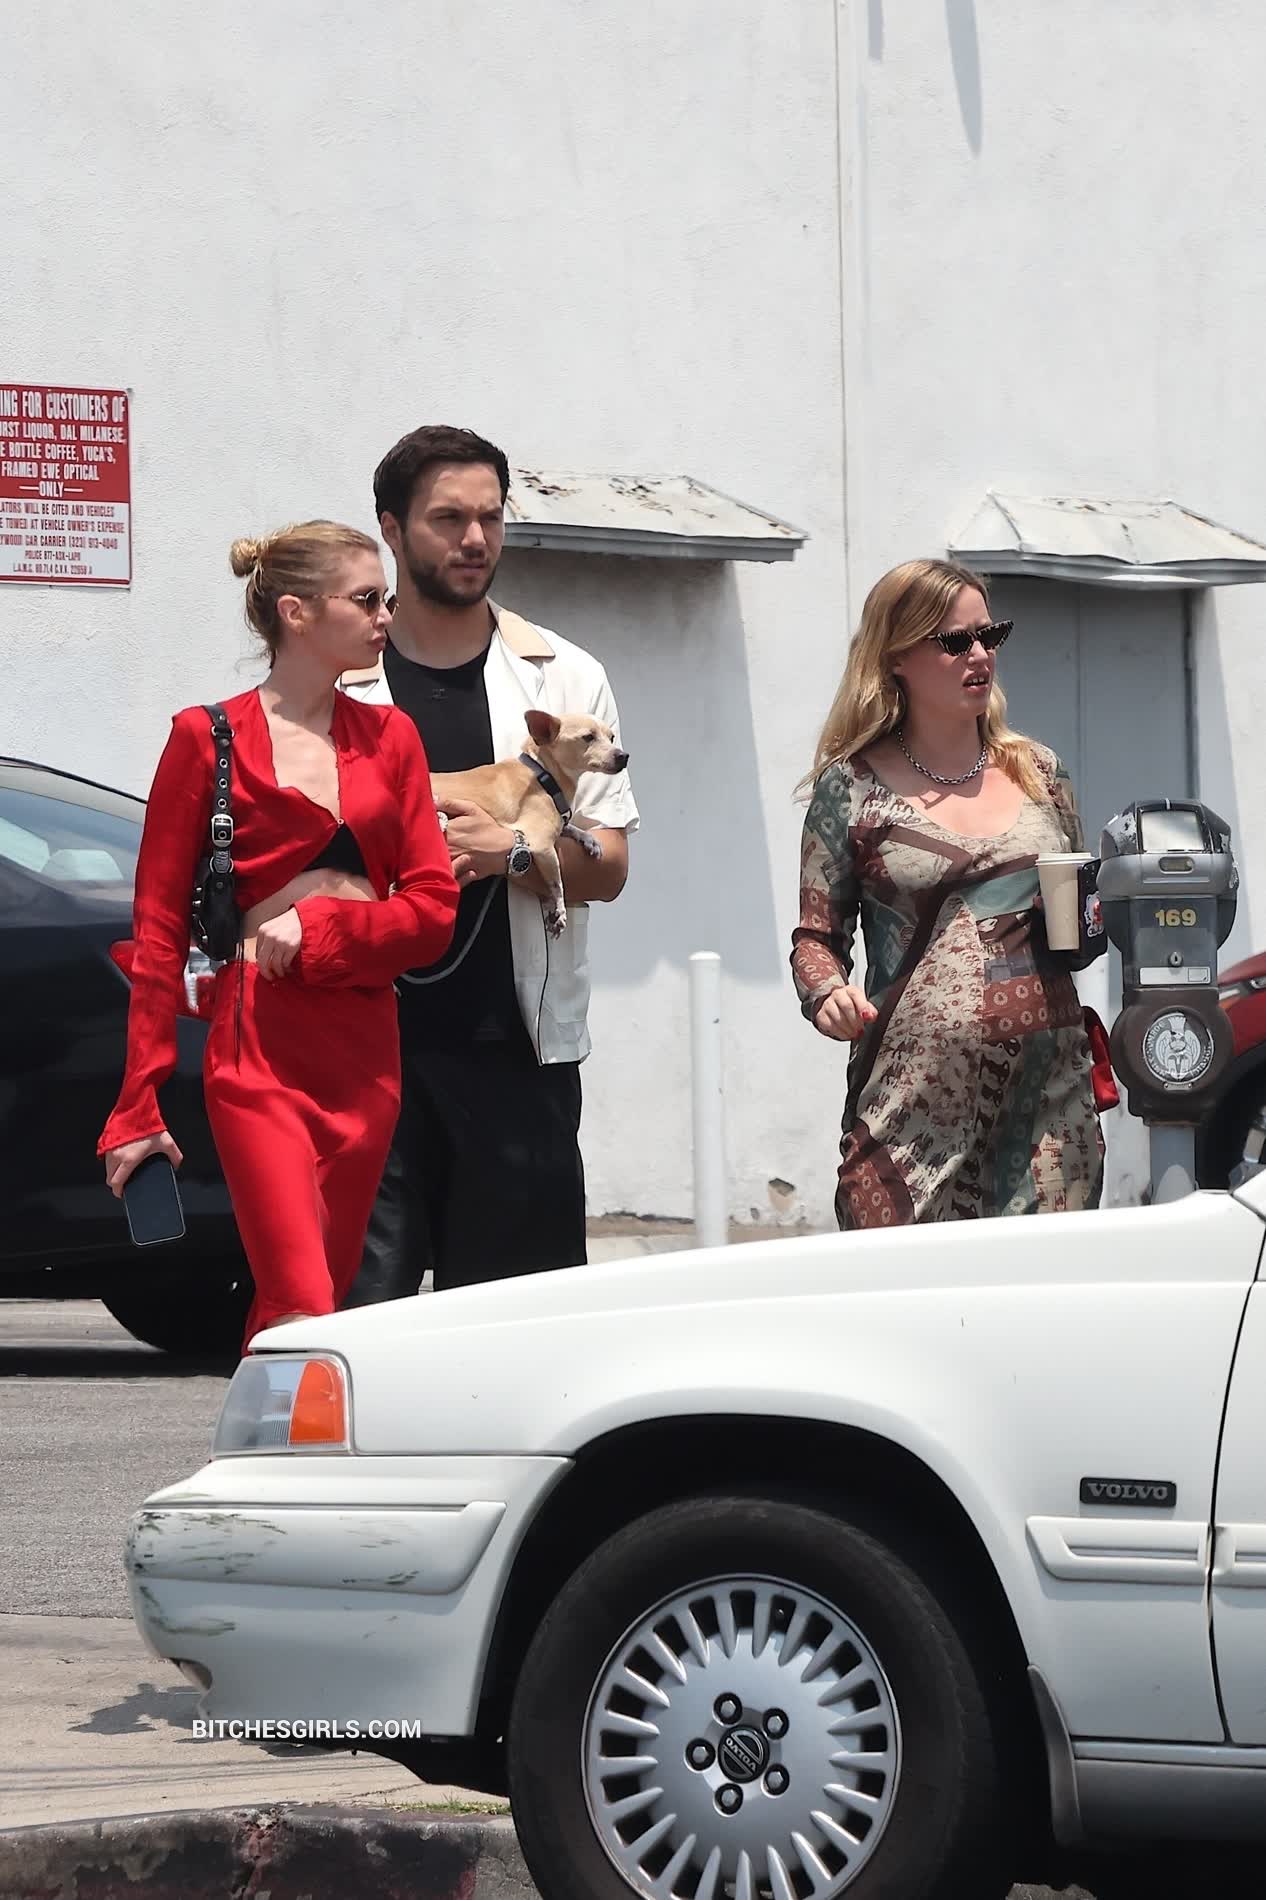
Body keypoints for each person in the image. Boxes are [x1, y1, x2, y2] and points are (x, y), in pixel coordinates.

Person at [98, 521, 459, 1347]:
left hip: (366, 1049)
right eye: (366, 599)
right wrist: (138, 1100)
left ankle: (270, 1429)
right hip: (257, 1040)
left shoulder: (393, 738)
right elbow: (157, 931)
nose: (386, 617)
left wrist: (322, 925)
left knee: (317, 1300)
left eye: (387, 599)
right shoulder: (206, 738)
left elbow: (433, 911)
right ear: (297, 612)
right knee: (300, 1295)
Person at [338, 425, 638, 1299]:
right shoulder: (335, 678)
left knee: (518, 1327)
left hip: (516, 1055)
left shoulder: (564, 678)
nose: (475, 539)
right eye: (448, 519)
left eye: (491, 518)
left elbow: (611, 866)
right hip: (363, 1049)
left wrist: (511, 853)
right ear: (391, 529)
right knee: (361, 1322)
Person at [791, 557, 1103, 1226]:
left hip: (1049, 1113)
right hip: (911, 1114)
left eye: (991, 635)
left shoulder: (1040, 773)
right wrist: (827, 994)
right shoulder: (851, 789)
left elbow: (1080, 924)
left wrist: (1097, 913)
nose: (980, 655)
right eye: (955, 641)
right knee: (897, 1287)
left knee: (1052, 1288)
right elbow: (816, 940)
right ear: (896, 656)